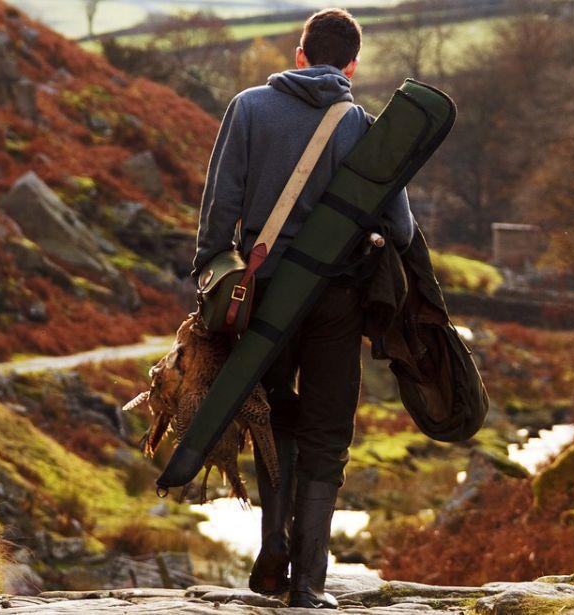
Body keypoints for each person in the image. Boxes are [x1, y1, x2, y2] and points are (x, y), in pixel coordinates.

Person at [191, 8, 413, 609]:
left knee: (271, 420)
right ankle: (309, 584)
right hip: (336, 300)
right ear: (351, 65)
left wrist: (213, 283)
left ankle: (271, 551)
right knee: (325, 433)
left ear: (298, 55)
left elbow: (219, 209)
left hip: (263, 296)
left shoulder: (247, 108)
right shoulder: (363, 126)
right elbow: (400, 224)